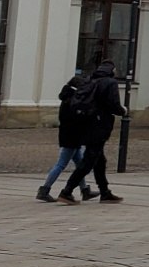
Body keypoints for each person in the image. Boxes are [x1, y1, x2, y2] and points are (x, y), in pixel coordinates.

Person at [60, 60, 127, 203]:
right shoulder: (110, 83)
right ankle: (67, 191)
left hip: (86, 124)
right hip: (99, 126)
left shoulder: (90, 80)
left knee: (99, 161)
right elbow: (113, 105)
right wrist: (123, 111)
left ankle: (105, 192)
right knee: (89, 160)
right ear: (112, 70)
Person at [38, 72, 94, 203]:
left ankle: (85, 190)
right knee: (61, 164)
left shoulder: (67, 97)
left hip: (69, 134)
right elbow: (77, 118)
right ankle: (44, 189)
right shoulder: (73, 100)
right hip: (72, 136)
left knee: (80, 164)